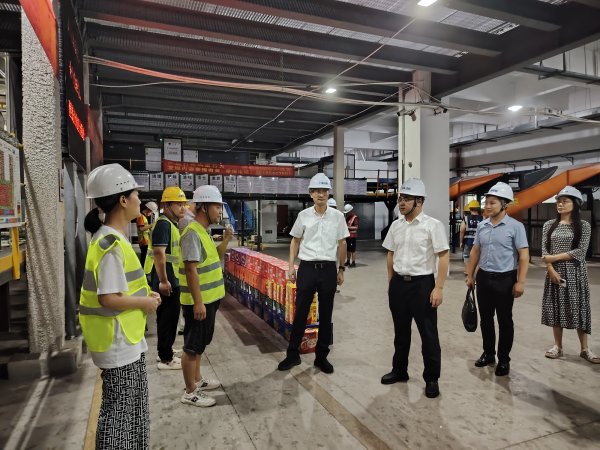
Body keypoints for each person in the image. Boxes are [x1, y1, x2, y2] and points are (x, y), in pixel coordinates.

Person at [79, 164, 160, 449]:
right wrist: (146, 302)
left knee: (133, 409)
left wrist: (145, 293)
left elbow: (121, 288)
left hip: (126, 338)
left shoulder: (113, 238)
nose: (140, 200)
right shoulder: (110, 243)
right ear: (123, 200)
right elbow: (108, 298)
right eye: (136, 194)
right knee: (119, 415)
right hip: (116, 340)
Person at [381, 178, 448, 399]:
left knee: (428, 334)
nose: (401, 202)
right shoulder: (396, 226)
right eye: (400, 198)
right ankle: (399, 370)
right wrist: (391, 282)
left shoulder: (433, 225)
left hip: (422, 285)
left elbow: (443, 256)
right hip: (399, 284)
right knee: (400, 332)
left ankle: (432, 379)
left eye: (406, 199)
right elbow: (390, 254)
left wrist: (439, 287)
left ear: (419, 201)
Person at [278, 173, 349, 374]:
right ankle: (293, 354)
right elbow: (295, 240)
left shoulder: (338, 217)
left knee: (326, 314)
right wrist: (291, 266)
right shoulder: (303, 216)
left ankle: (321, 357)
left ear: (328, 194)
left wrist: (341, 268)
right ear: (311, 194)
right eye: (317, 191)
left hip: (328, 269)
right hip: (307, 268)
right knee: (301, 312)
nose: (321, 194)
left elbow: (342, 243)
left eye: (324, 190)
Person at [465, 182, 529, 377]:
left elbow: (523, 255)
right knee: (486, 319)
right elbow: (475, 251)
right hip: (484, 278)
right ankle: (488, 353)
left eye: (492, 203)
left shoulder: (515, 227)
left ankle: (504, 359)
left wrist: (520, 282)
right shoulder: (482, 226)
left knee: (504, 321)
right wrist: (470, 275)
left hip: (505, 280)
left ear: (504, 204)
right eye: (487, 202)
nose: (487, 206)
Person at [179, 185, 233, 407]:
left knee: (200, 344)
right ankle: (189, 392)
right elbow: (190, 269)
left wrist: (226, 239)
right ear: (203, 207)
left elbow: (216, 256)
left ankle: (197, 379)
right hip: (199, 301)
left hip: (210, 299)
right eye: (217, 207)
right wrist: (198, 303)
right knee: (191, 347)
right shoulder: (192, 232)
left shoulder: (204, 231)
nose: (220, 211)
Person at [541, 186, 599, 363]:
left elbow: (580, 252)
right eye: (558, 201)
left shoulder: (583, 226)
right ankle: (557, 346)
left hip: (576, 273)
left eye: (565, 201)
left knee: (579, 308)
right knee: (556, 308)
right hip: (554, 272)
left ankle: (585, 349)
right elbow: (545, 251)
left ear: (575, 204)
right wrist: (551, 269)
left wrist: (553, 258)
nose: (560, 204)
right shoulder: (549, 225)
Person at [144, 186, 187, 370]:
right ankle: (165, 359)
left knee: (167, 318)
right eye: (178, 204)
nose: (183, 208)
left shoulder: (170, 223)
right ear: (167, 206)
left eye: (184, 204)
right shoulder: (163, 224)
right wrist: (163, 281)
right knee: (167, 319)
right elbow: (159, 253)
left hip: (171, 278)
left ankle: (165, 350)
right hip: (166, 280)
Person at [459, 200, 483, 268]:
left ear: (470, 209)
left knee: (466, 256)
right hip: (479, 242)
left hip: (468, 241)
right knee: (478, 257)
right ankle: (475, 271)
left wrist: (461, 242)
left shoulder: (466, 218)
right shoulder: (483, 218)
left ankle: (468, 271)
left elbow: (462, 230)